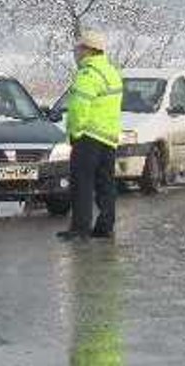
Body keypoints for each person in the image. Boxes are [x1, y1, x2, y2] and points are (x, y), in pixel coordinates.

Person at [58, 30, 123, 241]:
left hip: (88, 137)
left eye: (78, 49)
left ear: (87, 50)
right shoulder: (112, 72)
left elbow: (78, 109)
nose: (76, 53)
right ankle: (105, 226)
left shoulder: (88, 75)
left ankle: (80, 229)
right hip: (109, 138)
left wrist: (75, 133)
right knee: (106, 184)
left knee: (82, 184)